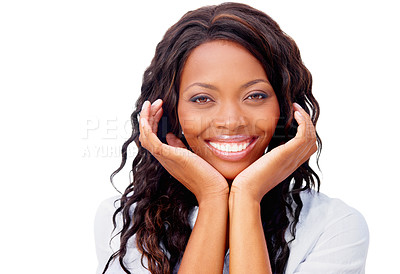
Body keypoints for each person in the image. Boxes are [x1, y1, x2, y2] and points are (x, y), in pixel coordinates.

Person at [94, 2, 369, 273]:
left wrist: (247, 197)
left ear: (285, 108)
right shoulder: (123, 225)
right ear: (170, 113)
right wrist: (212, 198)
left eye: (255, 96)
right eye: (202, 98)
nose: (231, 121)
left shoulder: (334, 226)